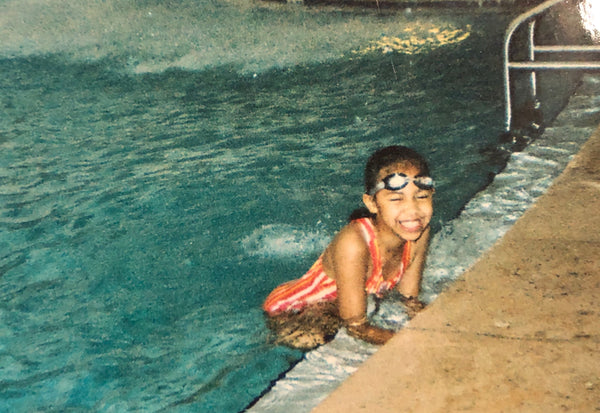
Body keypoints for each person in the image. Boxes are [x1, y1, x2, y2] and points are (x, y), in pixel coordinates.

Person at [263, 145, 434, 350]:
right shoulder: (353, 242)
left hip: (336, 306)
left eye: (422, 196)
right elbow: (357, 326)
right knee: (316, 337)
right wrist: (418, 343)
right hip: (292, 310)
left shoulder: (418, 233)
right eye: (397, 199)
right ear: (372, 204)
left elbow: (409, 300)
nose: (413, 209)